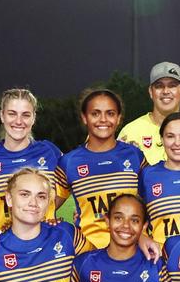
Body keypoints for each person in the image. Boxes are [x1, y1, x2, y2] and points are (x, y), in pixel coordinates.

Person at [58, 89, 144, 249]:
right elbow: (46, 205)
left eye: (110, 113)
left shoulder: (134, 155)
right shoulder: (69, 162)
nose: (103, 120)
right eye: (95, 113)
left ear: (119, 118)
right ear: (85, 117)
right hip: (88, 255)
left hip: (132, 253)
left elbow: (155, 197)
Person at [0, 88, 64, 232]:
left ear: (33, 118)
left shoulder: (50, 151)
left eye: (26, 115)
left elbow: (70, 183)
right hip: (3, 246)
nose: (19, 121)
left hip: (46, 245)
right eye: (12, 114)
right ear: (2, 116)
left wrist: (46, 209)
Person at [119, 62, 180, 165]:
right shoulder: (130, 132)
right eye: (159, 86)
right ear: (151, 92)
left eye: (172, 86)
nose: (166, 91)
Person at [139, 112, 180, 246]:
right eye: (170, 136)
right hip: (160, 260)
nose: (177, 143)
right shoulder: (147, 175)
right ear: (161, 139)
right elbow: (137, 216)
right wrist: (142, 237)